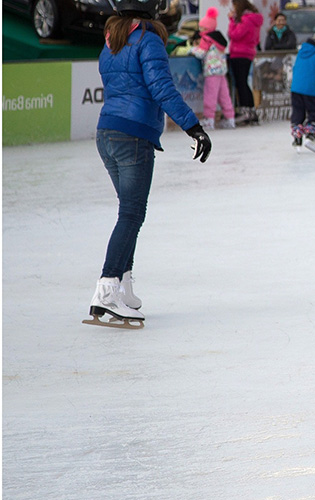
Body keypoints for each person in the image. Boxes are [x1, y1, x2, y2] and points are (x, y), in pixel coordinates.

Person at [87, 0, 211, 329]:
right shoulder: (147, 39)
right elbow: (161, 88)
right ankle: (108, 287)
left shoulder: (113, 38)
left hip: (107, 133)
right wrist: (193, 127)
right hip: (133, 135)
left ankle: (123, 284)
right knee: (131, 214)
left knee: (129, 211)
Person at [191, 7, 236, 131]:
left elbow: (201, 53)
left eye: (202, 28)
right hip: (221, 70)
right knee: (224, 95)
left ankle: (209, 119)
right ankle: (230, 118)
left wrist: (192, 49)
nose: (201, 31)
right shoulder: (219, 38)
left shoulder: (206, 38)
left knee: (210, 95)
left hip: (211, 71)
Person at [227, 0, 263, 126]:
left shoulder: (246, 20)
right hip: (247, 52)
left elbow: (234, 35)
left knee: (241, 83)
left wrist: (232, 21)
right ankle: (250, 110)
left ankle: (245, 110)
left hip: (239, 53)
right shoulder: (253, 19)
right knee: (243, 82)